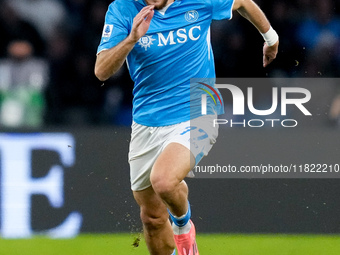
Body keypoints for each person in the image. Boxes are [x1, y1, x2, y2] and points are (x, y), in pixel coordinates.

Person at [94, 0, 278, 254]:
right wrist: (131, 39)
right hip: (147, 122)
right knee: (153, 218)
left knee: (164, 181)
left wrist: (271, 38)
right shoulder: (123, 9)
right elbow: (101, 71)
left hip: (198, 110)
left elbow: (243, 2)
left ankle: (183, 227)